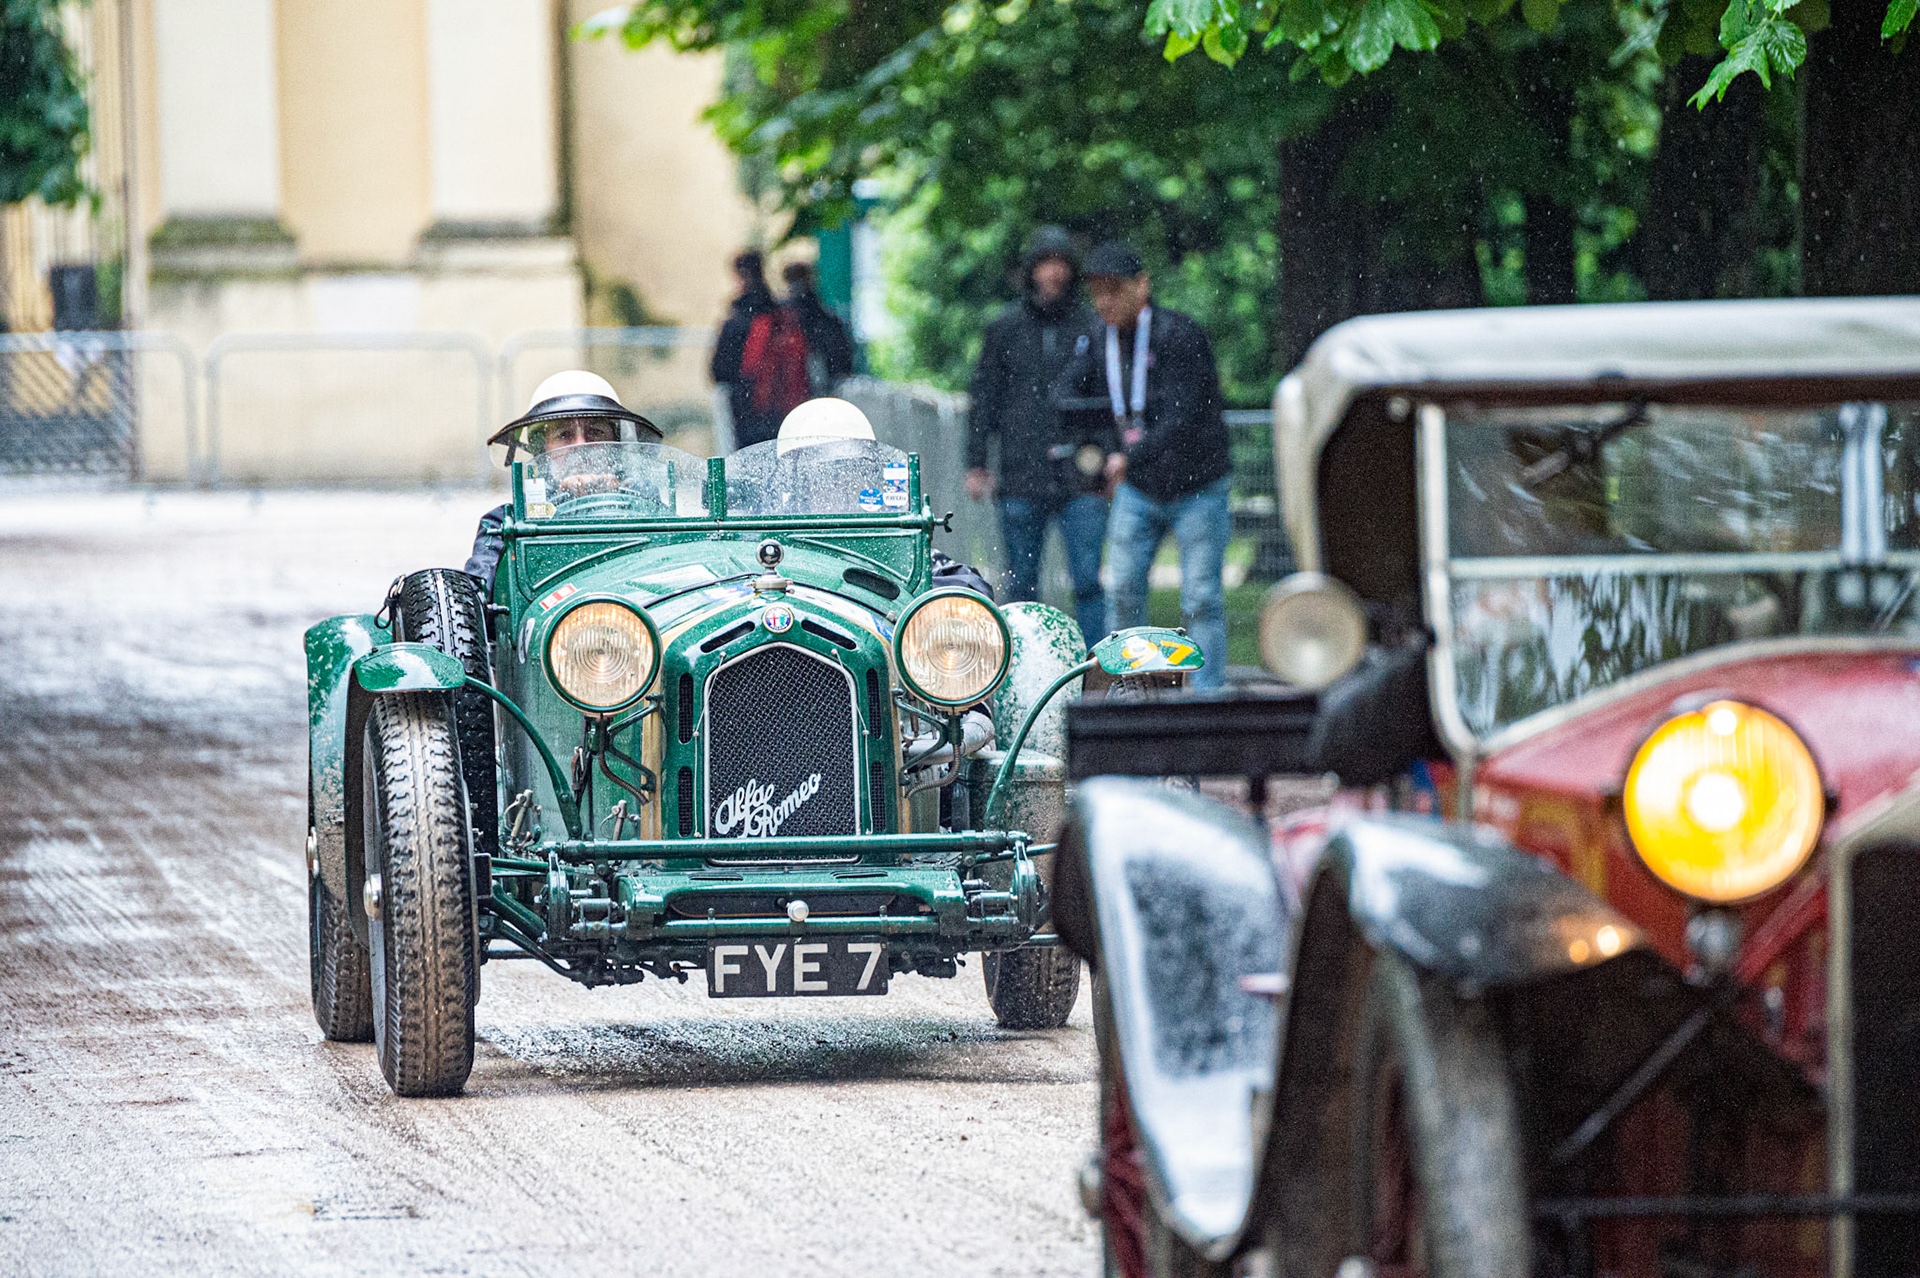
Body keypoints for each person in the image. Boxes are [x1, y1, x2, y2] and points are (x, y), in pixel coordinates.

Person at [1055, 241, 1232, 688]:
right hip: (1139, 487)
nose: (1105, 302)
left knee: (1201, 598)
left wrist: (1125, 457)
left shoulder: (1181, 335)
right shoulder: (1097, 339)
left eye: (1114, 290)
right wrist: (1086, 449)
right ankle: (1131, 690)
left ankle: (1206, 701)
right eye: (1097, 293)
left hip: (1198, 485)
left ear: (1142, 285)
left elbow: (1184, 415)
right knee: (1123, 591)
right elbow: (1068, 397)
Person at [965, 226, 1109, 645]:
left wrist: (1110, 457)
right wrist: (976, 462)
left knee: (1088, 582)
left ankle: (1097, 674)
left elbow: (1109, 397)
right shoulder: (1005, 328)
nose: (1052, 274)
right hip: (1019, 474)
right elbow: (984, 398)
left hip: (1083, 474)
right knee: (1022, 588)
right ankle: (1025, 669)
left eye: (1060, 264)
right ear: (1032, 271)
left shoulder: (1093, 326)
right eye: (1045, 264)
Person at [465, 370, 663, 590]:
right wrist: (561, 503)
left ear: (614, 443)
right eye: (564, 435)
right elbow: (477, 598)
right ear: (542, 449)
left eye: (595, 432)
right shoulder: (504, 523)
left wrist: (619, 500)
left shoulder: (647, 505)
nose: (581, 445)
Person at [711, 250, 815, 451]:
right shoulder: (783, 315)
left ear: (740, 275)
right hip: (786, 410)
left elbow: (719, 371)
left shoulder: (741, 318)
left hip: (749, 412)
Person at [782, 261, 856, 395]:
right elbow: (840, 353)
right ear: (810, 278)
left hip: (790, 388)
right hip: (820, 380)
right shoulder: (821, 312)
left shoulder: (782, 314)